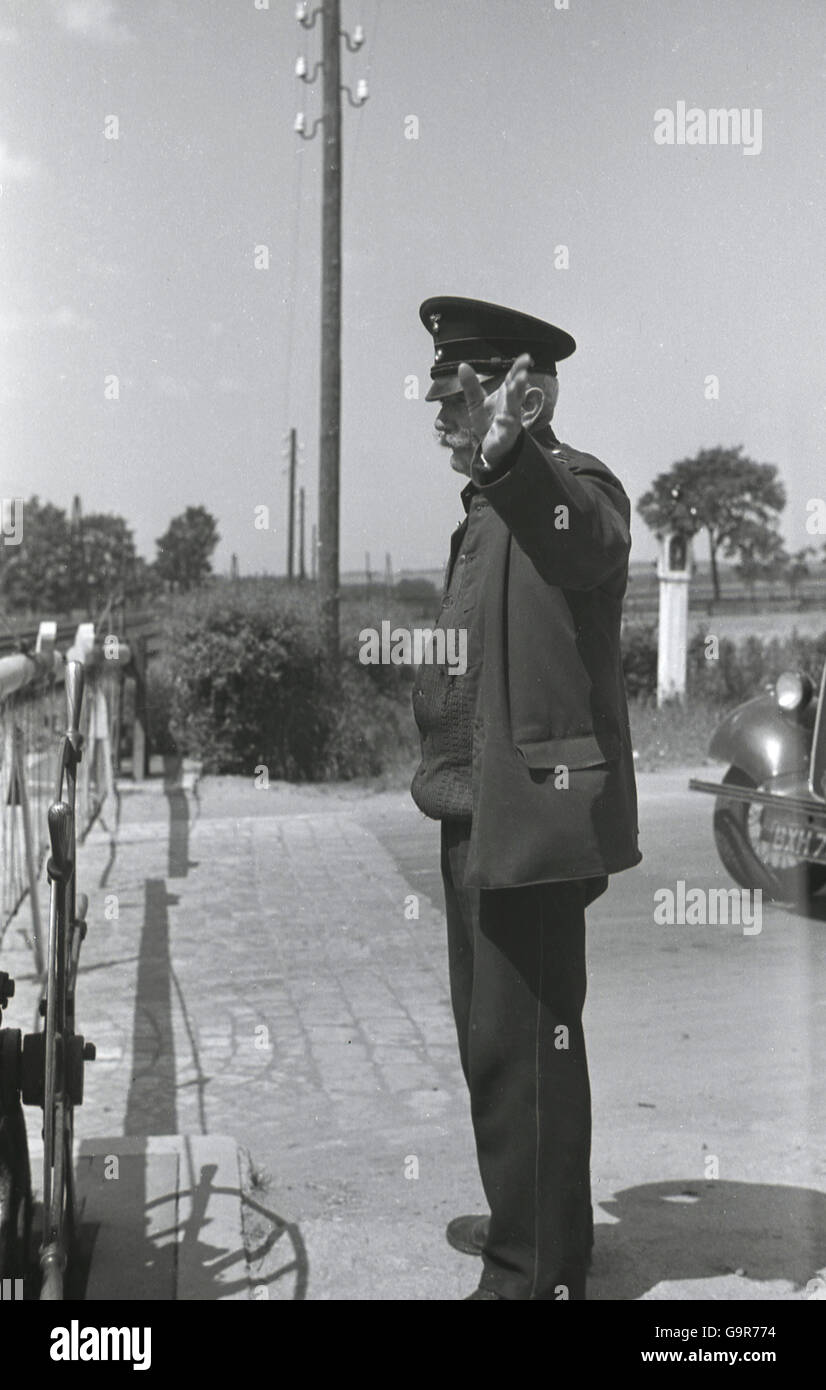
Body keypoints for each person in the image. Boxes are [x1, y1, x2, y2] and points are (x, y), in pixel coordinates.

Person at [410, 295, 642, 1301]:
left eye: (454, 386)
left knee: (528, 1050)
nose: (435, 404)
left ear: (520, 389)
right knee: (499, 1046)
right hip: (477, 810)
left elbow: (580, 538)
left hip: (530, 816)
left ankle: (535, 1275)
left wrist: (515, 457)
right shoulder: (485, 508)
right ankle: (538, 1235)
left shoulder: (563, 488)